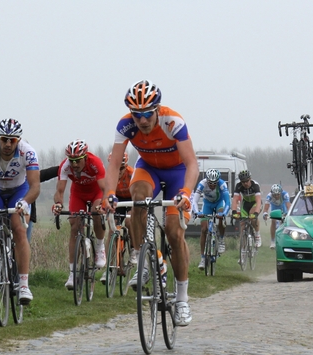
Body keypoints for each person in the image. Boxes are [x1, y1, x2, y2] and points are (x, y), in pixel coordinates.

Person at [103, 80, 198, 327]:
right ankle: (144, 258)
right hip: (149, 169)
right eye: (137, 115)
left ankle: (182, 300)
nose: (142, 120)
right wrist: (110, 193)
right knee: (137, 200)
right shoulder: (125, 125)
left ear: (157, 110)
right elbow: (114, 164)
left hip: (177, 172)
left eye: (147, 114)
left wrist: (186, 192)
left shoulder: (173, 122)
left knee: (174, 233)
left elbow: (191, 163)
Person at [0, 118, 40, 304]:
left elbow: (35, 187)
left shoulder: (28, 153)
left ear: (18, 140)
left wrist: (26, 202)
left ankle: (24, 284)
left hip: (19, 190)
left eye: (12, 140)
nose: (8, 144)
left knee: (19, 228)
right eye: (4, 139)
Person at [51, 139, 107, 289]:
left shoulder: (95, 162)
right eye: (72, 160)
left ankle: (100, 248)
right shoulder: (65, 166)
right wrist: (58, 204)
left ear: (85, 158)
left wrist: (104, 204)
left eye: (77, 161)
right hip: (78, 194)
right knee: (74, 226)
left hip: (96, 192)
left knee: (96, 213)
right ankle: (72, 273)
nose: (74, 164)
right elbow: (60, 191)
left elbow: (104, 188)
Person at [99, 151, 134, 285]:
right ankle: (110, 267)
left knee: (130, 221)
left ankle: (133, 247)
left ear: (125, 166)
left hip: (130, 199)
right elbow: (105, 194)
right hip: (117, 201)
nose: (118, 171)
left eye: (121, 168)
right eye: (116, 168)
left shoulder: (131, 173)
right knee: (112, 230)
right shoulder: (109, 175)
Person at [192, 168, 231, 269]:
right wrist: (197, 212)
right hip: (207, 204)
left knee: (221, 218)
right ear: (207, 180)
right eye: (210, 183)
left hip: (219, 203)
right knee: (204, 229)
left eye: (215, 183)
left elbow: (228, 202)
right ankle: (202, 258)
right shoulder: (202, 184)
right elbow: (194, 201)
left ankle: (221, 239)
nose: (212, 186)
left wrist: (224, 213)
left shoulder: (222, 184)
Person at [27, 166, 59, 242]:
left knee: (24, 244)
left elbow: (45, 174)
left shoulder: (28, 177)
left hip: (28, 214)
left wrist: (61, 168)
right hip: (5, 212)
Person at [231, 170, 262, 247]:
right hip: (245, 204)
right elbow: (235, 199)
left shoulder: (255, 185)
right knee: (242, 225)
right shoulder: (238, 186)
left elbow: (258, 200)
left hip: (255, 203)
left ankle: (257, 235)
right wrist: (234, 211)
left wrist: (256, 213)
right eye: (243, 182)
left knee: (252, 216)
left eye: (247, 181)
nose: (245, 183)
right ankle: (243, 255)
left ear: (250, 179)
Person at [262, 184, 291, 249]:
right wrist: (265, 214)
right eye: (274, 195)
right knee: (273, 221)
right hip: (274, 207)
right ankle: (272, 241)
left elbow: (288, 206)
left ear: (281, 192)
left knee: (285, 221)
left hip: (283, 207)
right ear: (272, 194)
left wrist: (288, 214)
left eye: (278, 194)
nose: (277, 196)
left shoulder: (285, 194)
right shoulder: (269, 196)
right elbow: (266, 208)